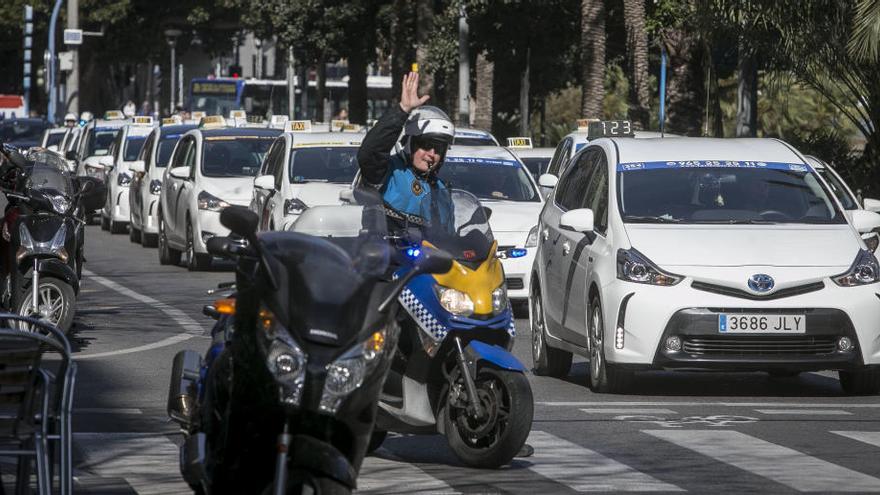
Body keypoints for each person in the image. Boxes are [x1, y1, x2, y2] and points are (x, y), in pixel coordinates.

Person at [357, 71, 455, 227]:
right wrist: (402, 109)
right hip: (387, 250)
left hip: (431, 252)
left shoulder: (442, 191)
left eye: (438, 149)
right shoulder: (389, 173)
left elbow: (450, 238)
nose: (431, 154)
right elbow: (369, 153)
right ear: (410, 144)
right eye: (426, 145)